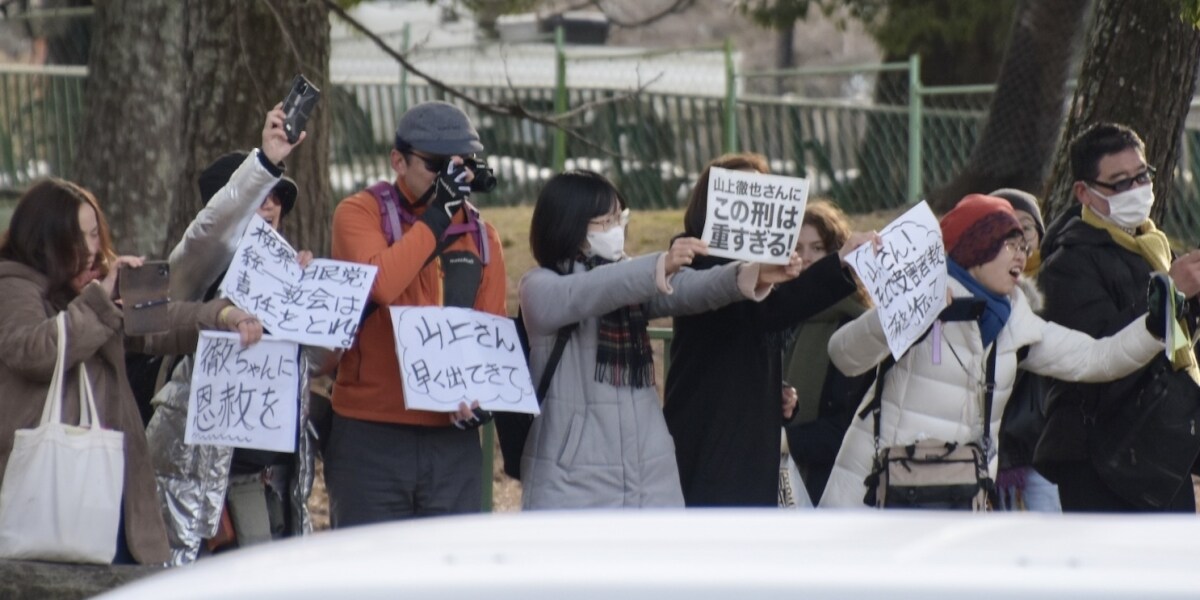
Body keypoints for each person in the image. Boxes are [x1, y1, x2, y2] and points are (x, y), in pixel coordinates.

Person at [820, 194, 1167, 509]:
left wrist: (1156, 324)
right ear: (976, 248)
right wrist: (902, 315)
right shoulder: (922, 294)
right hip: (875, 489)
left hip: (953, 496)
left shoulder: (1018, 324)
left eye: (1023, 245)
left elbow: (1097, 359)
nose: (1023, 254)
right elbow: (844, 356)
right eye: (1009, 244)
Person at [0, 178, 260, 564]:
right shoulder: (13, 286)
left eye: (94, 234)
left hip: (109, 487)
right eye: (80, 238)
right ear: (47, 240)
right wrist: (99, 299)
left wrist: (222, 314)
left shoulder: (87, 291)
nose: (93, 249)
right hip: (50, 489)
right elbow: (35, 350)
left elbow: (160, 321)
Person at [518, 169, 801, 509]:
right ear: (569, 224)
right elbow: (592, 290)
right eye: (604, 222)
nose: (616, 230)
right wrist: (660, 265)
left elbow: (689, 290)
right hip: (572, 477)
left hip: (650, 471)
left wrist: (748, 273)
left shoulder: (632, 280)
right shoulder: (541, 286)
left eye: (618, 218)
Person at [144, 106, 327, 565]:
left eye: (277, 199)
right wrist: (265, 162)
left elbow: (323, 361)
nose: (269, 206)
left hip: (276, 477)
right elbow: (209, 230)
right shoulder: (192, 269)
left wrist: (306, 298)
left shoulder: (291, 272)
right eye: (258, 196)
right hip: (202, 482)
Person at [327, 101, 505, 525]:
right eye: (435, 165)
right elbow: (383, 283)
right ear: (398, 161)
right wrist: (437, 216)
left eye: (458, 166)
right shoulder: (357, 214)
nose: (449, 179)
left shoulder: (481, 236)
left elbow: (489, 337)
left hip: (452, 444)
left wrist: (485, 400)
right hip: (370, 434)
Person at [662, 154, 876, 507]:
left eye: (764, 191)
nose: (757, 203)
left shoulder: (765, 268)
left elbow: (750, 335)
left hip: (750, 448)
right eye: (744, 192)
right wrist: (839, 263)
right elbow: (769, 311)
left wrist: (773, 391)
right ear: (712, 201)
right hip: (708, 445)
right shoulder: (696, 258)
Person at [1035, 123, 1200, 512]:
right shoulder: (1066, 264)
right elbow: (1099, 355)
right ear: (1085, 193)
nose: (1136, 190)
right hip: (1102, 459)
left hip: (1158, 449)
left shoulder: (1150, 245)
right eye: (1120, 182)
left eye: (1142, 176)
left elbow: (1172, 344)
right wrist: (1168, 293)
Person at [781, 199, 875, 505]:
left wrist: (784, 442)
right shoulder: (774, 316)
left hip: (829, 486)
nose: (805, 259)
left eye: (817, 248)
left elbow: (845, 428)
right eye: (797, 249)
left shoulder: (854, 325)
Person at [988, 188, 1061, 512]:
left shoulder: (1059, 283)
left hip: (1044, 449)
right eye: (1006, 229)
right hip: (997, 453)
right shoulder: (979, 293)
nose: (1019, 241)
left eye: (1026, 228)